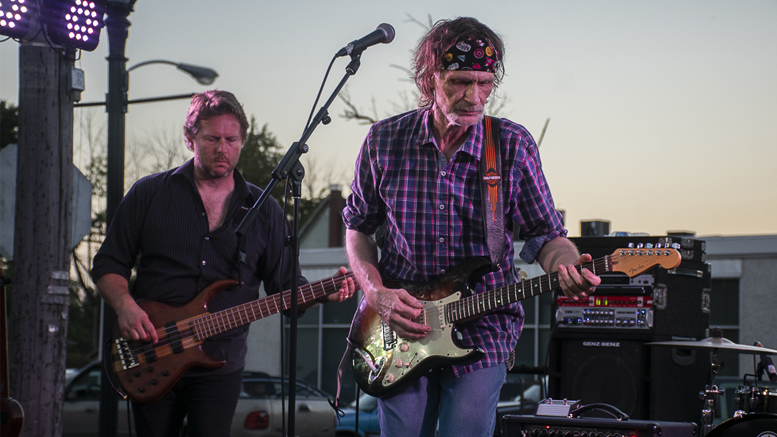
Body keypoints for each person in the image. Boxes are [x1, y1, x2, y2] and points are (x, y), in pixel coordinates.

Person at [342, 17, 601, 437]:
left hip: (484, 322)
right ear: (430, 79)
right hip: (400, 323)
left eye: (484, 83)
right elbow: (357, 229)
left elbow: (546, 234)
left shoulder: (512, 145)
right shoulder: (383, 141)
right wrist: (376, 293)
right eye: (461, 81)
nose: (474, 96)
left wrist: (566, 267)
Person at [91, 90, 355, 437]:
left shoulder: (265, 211)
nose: (223, 148)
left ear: (241, 141)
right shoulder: (149, 193)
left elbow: (285, 289)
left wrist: (322, 293)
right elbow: (109, 261)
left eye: (231, 139)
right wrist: (125, 307)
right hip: (150, 352)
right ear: (190, 139)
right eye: (212, 138)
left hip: (220, 364)